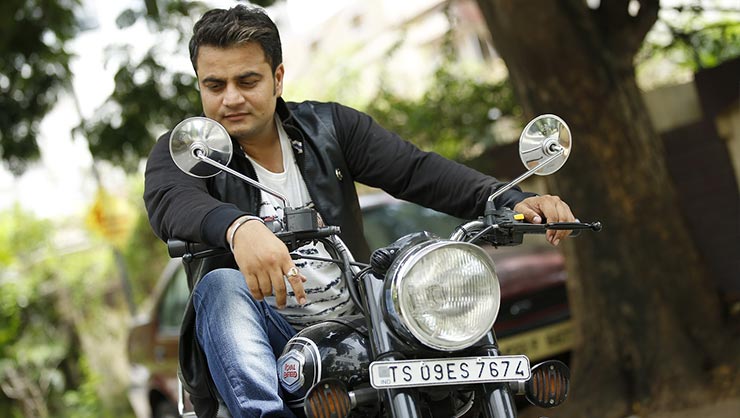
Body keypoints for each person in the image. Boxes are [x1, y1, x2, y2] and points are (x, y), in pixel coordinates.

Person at [144, 5, 575, 418]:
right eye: (214, 85)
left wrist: (510, 202)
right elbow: (170, 201)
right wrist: (239, 228)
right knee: (220, 284)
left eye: (247, 80)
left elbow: (414, 169)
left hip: (362, 326)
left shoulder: (330, 129)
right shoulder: (188, 151)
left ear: (277, 78)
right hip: (271, 340)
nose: (231, 98)